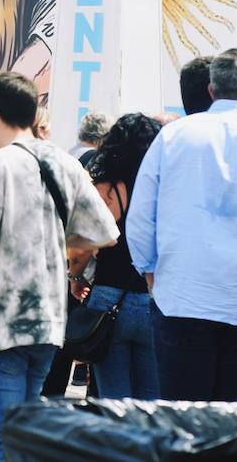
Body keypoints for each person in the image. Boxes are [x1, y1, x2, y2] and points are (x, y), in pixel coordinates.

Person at [0, 72, 118, 462]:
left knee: (3, 439)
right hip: (49, 319)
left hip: (5, 320)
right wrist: (53, 242)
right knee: (28, 437)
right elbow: (106, 233)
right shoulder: (64, 161)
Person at [130, 48, 237, 401]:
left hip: (179, 299)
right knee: (231, 426)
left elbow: (140, 217)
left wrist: (151, 275)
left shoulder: (172, 137)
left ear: (211, 90)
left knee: (180, 424)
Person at [66, 113, 163, 400]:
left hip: (109, 298)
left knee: (113, 401)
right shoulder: (165, 185)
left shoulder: (107, 187)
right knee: (151, 403)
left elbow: (82, 245)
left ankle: (119, 445)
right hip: (154, 297)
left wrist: (75, 276)